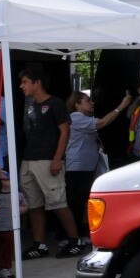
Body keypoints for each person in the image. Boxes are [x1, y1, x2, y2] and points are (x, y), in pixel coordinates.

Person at [18, 67, 84, 260]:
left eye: (25, 82)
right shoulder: (30, 105)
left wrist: (57, 158)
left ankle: (75, 241)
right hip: (29, 159)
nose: (21, 86)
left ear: (37, 82)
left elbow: (65, 131)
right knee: (34, 204)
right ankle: (39, 245)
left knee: (57, 202)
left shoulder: (55, 103)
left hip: (47, 159)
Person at [65, 91, 133, 248]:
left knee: (82, 201)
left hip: (86, 166)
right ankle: (73, 237)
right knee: (75, 202)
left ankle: (80, 234)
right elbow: (103, 123)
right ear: (77, 105)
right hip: (77, 167)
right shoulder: (76, 117)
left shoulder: (84, 119)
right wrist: (122, 105)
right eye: (88, 101)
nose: (92, 103)